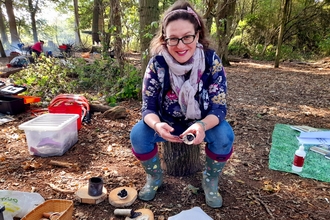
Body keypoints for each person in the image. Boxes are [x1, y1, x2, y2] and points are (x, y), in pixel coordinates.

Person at [130, 0, 234, 208]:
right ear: (164, 39)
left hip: (202, 123)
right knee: (138, 135)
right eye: (173, 39)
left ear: (198, 35)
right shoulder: (157, 64)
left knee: (225, 136)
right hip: (166, 123)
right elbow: (148, 107)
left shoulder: (211, 60)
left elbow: (219, 107)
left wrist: (202, 125)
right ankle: (155, 177)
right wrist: (157, 125)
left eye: (187, 37)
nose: (180, 45)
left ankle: (210, 181)